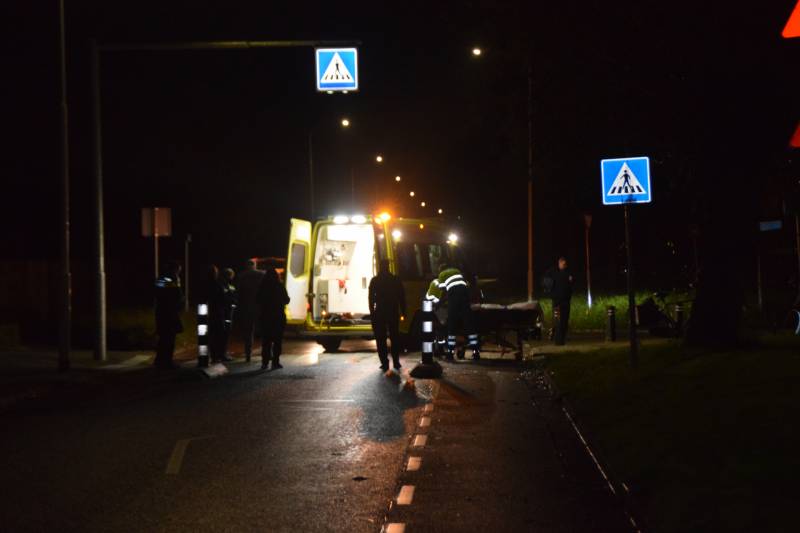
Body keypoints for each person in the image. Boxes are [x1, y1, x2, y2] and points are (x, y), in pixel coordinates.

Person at [368, 259, 406, 371]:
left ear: (380, 266)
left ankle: (384, 362)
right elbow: (401, 296)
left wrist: (372, 312)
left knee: (381, 339)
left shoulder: (375, 280)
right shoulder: (395, 280)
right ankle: (396, 362)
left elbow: (371, 298)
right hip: (392, 311)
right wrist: (403, 311)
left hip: (380, 313)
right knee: (395, 338)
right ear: (388, 266)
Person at [437, 264, 480, 360]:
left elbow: (444, 292)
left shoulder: (442, 274)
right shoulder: (456, 270)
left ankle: (450, 353)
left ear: (441, 270)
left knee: (452, 325)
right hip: (465, 295)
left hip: (454, 297)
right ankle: (476, 352)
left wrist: (439, 304)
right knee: (469, 325)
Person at [257, 267, 290, 370]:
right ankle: (275, 362)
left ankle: (264, 363)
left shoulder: (262, 286)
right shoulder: (279, 286)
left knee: (266, 341)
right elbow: (286, 300)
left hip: (265, 316)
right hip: (278, 316)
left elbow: (257, 300)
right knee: (277, 341)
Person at [153, 261, 184, 369]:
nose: (179, 272)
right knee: (168, 338)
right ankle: (166, 361)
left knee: (164, 338)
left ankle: (160, 360)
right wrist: (176, 281)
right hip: (168, 312)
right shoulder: (170, 279)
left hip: (163, 312)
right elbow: (176, 294)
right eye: (178, 270)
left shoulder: (161, 279)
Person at [236, 259, 265, 362]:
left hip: (247, 307)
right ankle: (266, 353)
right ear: (255, 265)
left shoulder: (241, 276)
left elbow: (238, 293)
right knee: (263, 330)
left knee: (248, 332)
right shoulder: (262, 274)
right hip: (260, 307)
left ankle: (248, 354)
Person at [205, 265, 233, 363]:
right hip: (220, 313)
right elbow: (223, 299)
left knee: (213, 335)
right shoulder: (218, 285)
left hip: (211, 313)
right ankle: (220, 354)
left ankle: (214, 355)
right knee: (221, 334)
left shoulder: (208, 284)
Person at [550, 256, 574, 345]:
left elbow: (571, 284)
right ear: (559, 263)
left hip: (565, 300)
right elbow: (546, 281)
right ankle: (557, 338)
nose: (564, 266)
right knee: (557, 320)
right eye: (563, 264)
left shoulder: (568, 272)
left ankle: (561, 338)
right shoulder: (553, 272)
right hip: (556, 300)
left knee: (564, 320)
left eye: (565, 264)